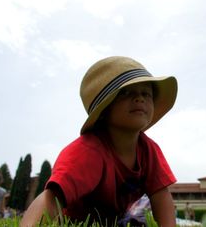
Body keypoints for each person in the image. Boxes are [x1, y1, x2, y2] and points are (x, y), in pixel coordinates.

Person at [21, 56, 178, 226]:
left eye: (146, 93)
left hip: (116, 220)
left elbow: (161, 196)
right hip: (74, 221)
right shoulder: (87, 151)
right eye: (126, 92)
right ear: (104, 109)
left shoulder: (149, 150)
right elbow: (51, 197)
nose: (139, 98)